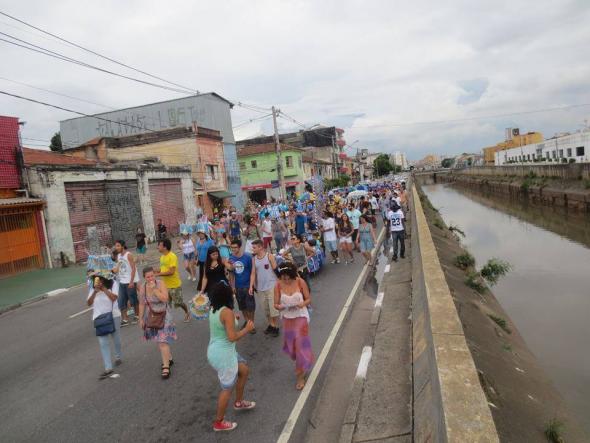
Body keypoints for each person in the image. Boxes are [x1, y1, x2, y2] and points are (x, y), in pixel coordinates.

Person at [207, 281, 256, 432]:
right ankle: (219, 422)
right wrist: (247, 329)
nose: (233, 294)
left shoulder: (215, 309)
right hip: (223, 354)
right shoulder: (226, 312)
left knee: (244, 371)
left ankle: (239, 402)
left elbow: (223, 322)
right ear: (226, 296)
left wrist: (233, 319)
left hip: (218, 350)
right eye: (231, 292)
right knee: (227, 388)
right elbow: (232, 337)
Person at [273, 262, 313, 390]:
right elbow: (275, 304)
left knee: (300, 347)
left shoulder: (300, 282)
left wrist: (302, 304)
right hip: (287, 319)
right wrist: (280, 306)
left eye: (287, 276)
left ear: (292, 274)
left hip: (301, 317)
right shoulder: (278, 285)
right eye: (282, 276)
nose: (285, 279)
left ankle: (300, 376)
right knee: (292, 351)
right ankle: (303, 360)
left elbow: (308, 299)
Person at [138, 266, 177, 379]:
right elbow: (141, 304)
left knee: (162, 342)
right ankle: (168, 358)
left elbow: (165, 299)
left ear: (155, 275)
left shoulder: (160, 283)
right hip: (152, 317)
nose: (150, 278)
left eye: (152, 276)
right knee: (160, 341)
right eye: (148, 277)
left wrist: (155, 289)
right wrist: (140, 319)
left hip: (164, 316)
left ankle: (166, 366)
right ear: (144, 277)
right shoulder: (143, 287)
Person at [87, 273, 122, 380]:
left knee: (116, 339)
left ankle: (118, 356)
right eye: (96, 280)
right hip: (99, 318)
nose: (97, 281)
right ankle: (108, 368)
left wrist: (104, 289)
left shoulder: (112, 283)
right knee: (103, 343)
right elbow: (88, 303)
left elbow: (114, 298)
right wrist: (95, 292)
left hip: (113, 315)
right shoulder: (93, 288)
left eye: (99, 279)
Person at [155, 239, 191, 322]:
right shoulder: (162, 257)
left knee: (179, 302)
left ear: (165, 247)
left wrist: (158, 274)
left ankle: (187, 312)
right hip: (165, 286)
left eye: (159, 245)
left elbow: (171, 272)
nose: (158, 247)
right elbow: (163, 268)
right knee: (165, 304)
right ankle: (166, 320)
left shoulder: (172, 256)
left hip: (174, 285)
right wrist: (155, 270)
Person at [226, 239, 256, 333]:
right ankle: (247, 322)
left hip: (247, 285)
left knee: (250, 307)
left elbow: (252, 272)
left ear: (239, 247)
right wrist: (232, 286)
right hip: (238, 287)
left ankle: (251, 323)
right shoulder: (231, 259)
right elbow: (231, 274)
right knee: (242, 306)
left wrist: (252, 285)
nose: (233, 249)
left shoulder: (248, 257)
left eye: (235, 247)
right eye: (232, 248)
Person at [251, 239, 279, 337]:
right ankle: (271, 324)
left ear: (260, 247)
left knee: (273, 308)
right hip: (260, 288)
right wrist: (252, 286)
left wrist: (281, 284)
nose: (252, 249)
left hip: (272, 286)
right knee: (265, 309)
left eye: (254, 247)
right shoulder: (254, 259)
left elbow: (276, 270)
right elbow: (253, 273)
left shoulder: (269, 256)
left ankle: (275, 327)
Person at [114, 240, 140, 326]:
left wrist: (132, 282)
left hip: (129, 282)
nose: (116, 247)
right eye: (116, 246)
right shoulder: (118, 256)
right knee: (121, 301)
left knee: (133, 300)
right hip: (122, 281)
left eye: (118, 246)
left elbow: (133, 269)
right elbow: (118, 268)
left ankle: (137, 315)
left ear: (122, 246)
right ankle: (125, 319)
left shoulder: (128, 255)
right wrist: (111, 271)